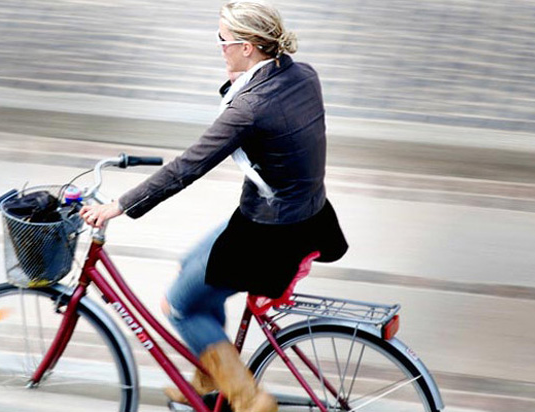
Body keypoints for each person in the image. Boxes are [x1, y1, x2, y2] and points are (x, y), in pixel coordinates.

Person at [79, 2, 348, 411]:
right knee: (190, 262)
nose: (219, 48)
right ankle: (209, 378)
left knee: (180, 306)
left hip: (269, 234)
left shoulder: (249, 109)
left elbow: (188, 166)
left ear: (248, 47)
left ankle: (247, 398)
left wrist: (119, 205)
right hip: (306, 218)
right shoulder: (301, 74)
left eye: (223, 41)